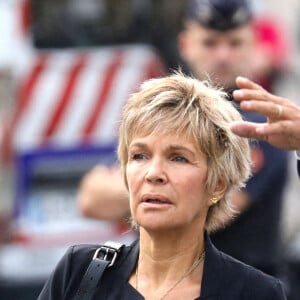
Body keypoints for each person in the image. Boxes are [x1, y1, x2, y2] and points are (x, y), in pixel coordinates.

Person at [78, 0, 289, 279]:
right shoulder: (163, 114)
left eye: (235, 43)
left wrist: (139, 190)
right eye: (210, 43)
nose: (223, 55)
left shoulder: (261, 125)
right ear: (186, 44)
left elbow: (210, 212)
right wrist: (175, 187)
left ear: (253, 46)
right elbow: (90, 199)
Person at [38, 72, 287, 300]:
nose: (153, 173)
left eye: (178, 158)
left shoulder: (254, 293)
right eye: (139, 156)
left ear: (217, 186)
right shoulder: (79, 272)